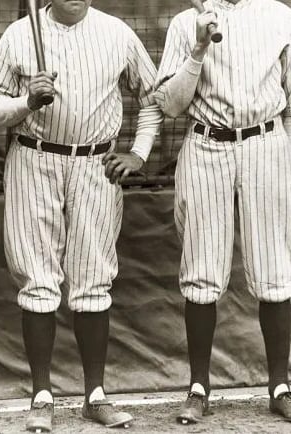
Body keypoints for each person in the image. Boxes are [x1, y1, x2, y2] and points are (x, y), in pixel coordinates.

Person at [0, 0, 162, 431]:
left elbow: (154, 97)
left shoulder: (116, 33)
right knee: (38, 278)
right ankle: (41, 395)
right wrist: (27, 102)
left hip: (95, 163)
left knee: (93, 276)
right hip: (34, 158)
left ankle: (94, 395)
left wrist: (138, 153)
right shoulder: (20, 33)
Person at [155, 0, 291, 425]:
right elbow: (171, 106)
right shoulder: (184, 22)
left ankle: (280, 386)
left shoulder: (279, 14)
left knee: (274, 268)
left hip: (265, 141)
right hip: (206, 143)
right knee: (201, 269)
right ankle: (198, 387)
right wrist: (197, 50)